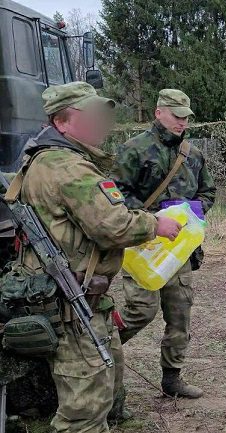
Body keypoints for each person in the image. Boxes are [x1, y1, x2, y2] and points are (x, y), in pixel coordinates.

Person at [7, 81, 180, 432]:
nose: (101, 124)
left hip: (72, 294)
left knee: (103, 376)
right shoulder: (69, 167)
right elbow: (112, 225)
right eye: (89, 116)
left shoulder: (44, 159)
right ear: (62, 123)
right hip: (70, 299)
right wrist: (155, 225)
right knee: (84, 407)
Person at [113, 89, 216, 399]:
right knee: (140, 311)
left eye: (185, 117)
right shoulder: (133, 150)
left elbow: (208, 193)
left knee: (180, 314)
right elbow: (115, 195)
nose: (182, 122)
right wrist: (155, 218)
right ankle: (100, 351)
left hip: (179, 250)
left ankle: (172, 379)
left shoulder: (193, 154)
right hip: (143, 245)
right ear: (159, 113)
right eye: (176, 115)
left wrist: (191, 212)